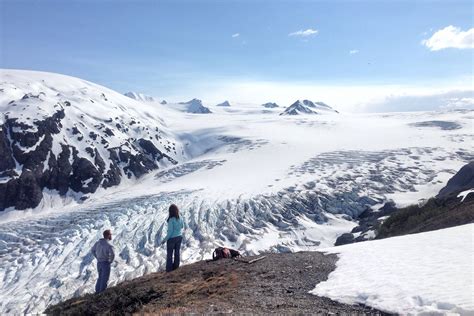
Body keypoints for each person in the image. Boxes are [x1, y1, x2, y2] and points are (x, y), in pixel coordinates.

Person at [162, 204, 184, 272]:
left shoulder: (171, 220)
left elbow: (170, 232)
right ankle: (176, 267)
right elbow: (182, 226)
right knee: (177, 253)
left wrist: (164, 240)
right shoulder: (180, 217)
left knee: (170, 255)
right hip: (179, 237)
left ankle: (169, 269)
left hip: (172, 239)